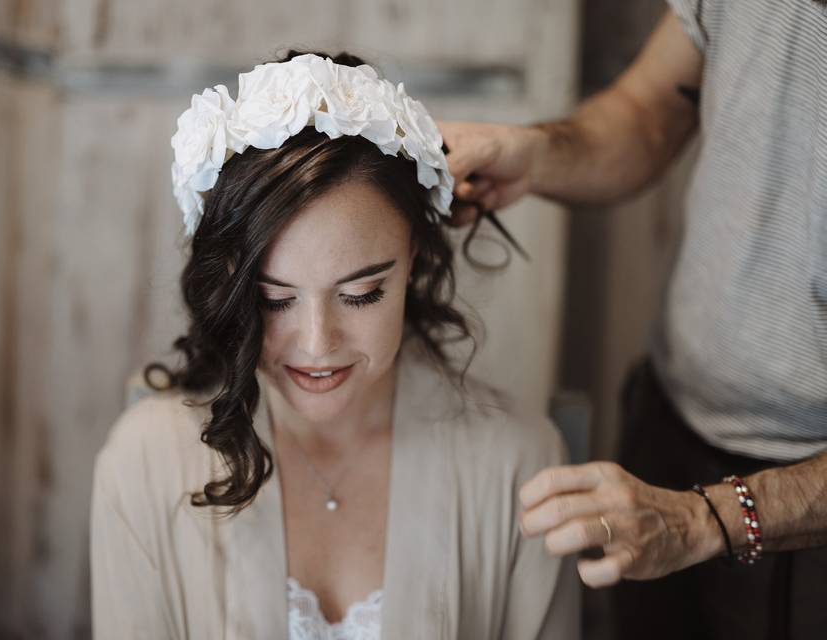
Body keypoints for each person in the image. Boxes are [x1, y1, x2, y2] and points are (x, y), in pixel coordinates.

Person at [89, 51, 580, 639]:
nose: (318, 345)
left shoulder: (520, 467)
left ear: (415, 257)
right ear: (226, 285)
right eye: (274, 299)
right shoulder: (143, 465)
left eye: (362, 294)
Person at [441, 1, 827, 638]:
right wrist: (532, 152)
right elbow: (647, 113)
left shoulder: (518, 455)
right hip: (670, 427)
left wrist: (706, 521)